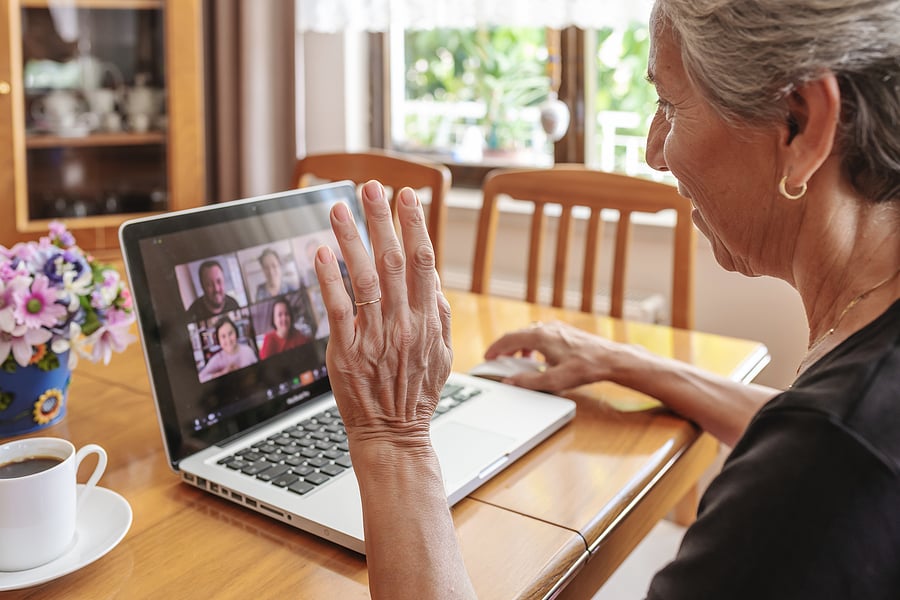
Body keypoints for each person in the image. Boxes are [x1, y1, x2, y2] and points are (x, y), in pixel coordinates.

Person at [314, 0, 900, 597]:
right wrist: (628, 364)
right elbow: (807, 427)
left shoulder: (821, 466)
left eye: (669, 104)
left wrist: (394, 439)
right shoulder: (855, 390)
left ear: (801, 124)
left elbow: (823, 449)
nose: (653, 150)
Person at [198, 316, 258, 382]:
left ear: (236, 332)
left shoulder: (248, 351)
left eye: (230, 333)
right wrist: (223, 373)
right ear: (218, 340)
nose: (228, 340)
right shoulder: (216, 359)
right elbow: (200, 378)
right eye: (223, 336)